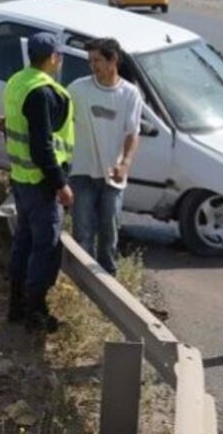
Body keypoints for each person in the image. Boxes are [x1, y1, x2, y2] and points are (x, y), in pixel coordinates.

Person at [0, 32, 74, 332]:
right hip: (42, 183)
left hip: (21, 178)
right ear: (53, 57)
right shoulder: (42, 92)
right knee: (46, 247)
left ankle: (16, 305)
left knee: (24, 242)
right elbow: (42, 146)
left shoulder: (17, 81)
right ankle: (36, 310)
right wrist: (60, 184)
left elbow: (14, 125)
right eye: (59, 54)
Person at [67, 38, 144, 275]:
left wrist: (125, 164)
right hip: (81, 172)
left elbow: (133, 133)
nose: (93, 65)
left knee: (109, 232)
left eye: (97, 60)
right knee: (83, 231)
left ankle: (107, 283)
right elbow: (57, 115)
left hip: (112, 176)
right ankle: (83, 283)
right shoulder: (78, 89)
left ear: (113, 61)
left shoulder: (129, 94)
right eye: (90, 61)